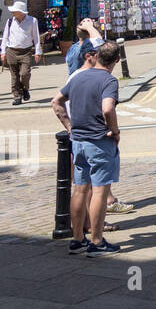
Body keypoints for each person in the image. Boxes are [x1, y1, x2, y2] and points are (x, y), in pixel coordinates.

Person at [51, 42, 123, 257]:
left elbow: (56, 102)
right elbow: (108, 108)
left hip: (78, 142)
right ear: (117, 61)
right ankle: (97, 241)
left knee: (80, 189)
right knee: (100, 191)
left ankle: (77, 239)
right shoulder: (109, 80)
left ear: (96, 56)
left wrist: (70, 127)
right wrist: (114, 130)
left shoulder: (78, 77)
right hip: (99, 142)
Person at [0, 1, 42, 105]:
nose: (12, 13)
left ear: (21, 12)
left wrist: (38, 51)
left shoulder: (32, 21)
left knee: (24, 73)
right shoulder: (10, 21)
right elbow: (5, 37)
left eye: (15, 11)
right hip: (11, 50)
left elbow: (36, 37)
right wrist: (3, 52)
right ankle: (17, 96)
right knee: (14, 75)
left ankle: (25, 88)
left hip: (26, 50)